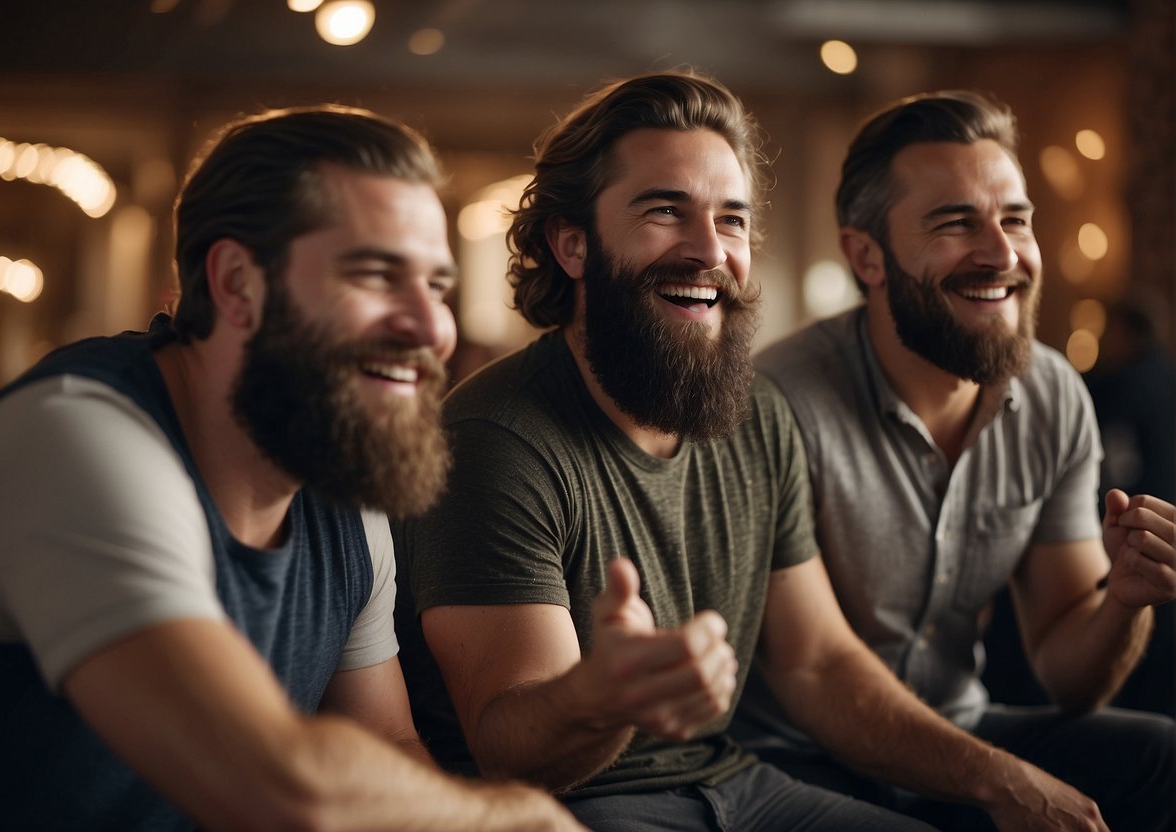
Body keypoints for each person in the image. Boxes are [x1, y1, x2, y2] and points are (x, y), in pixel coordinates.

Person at [394, 71, 1113, 832]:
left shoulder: (754, 413)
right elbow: (510, 752)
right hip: (568, 806)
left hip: (734, 781)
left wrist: (997, 780)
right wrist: (601, 697)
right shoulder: (495, 438)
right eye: (665, 211)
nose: (710, 250)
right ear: (571, 244)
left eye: (731, 220)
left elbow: (817, 664)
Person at [0, 104, 583, 832]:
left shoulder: (335, 471)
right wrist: (520, 820)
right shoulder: (74, 440)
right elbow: (285, 787)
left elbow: (385, 748)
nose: (430, 327)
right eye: (377, 275)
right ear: (235, 283)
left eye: (437, 287)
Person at [737, 90, 1176, 831]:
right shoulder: (775, 401)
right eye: (954, 223)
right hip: (796, 755)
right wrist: (1000, 783)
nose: (1001, 253)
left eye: (1013, 219)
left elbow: (1068, 675)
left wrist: (1122, 604)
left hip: (960, 728)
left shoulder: (1052, 395)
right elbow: (812, 672)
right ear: (865, 256)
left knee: (1159, 756)